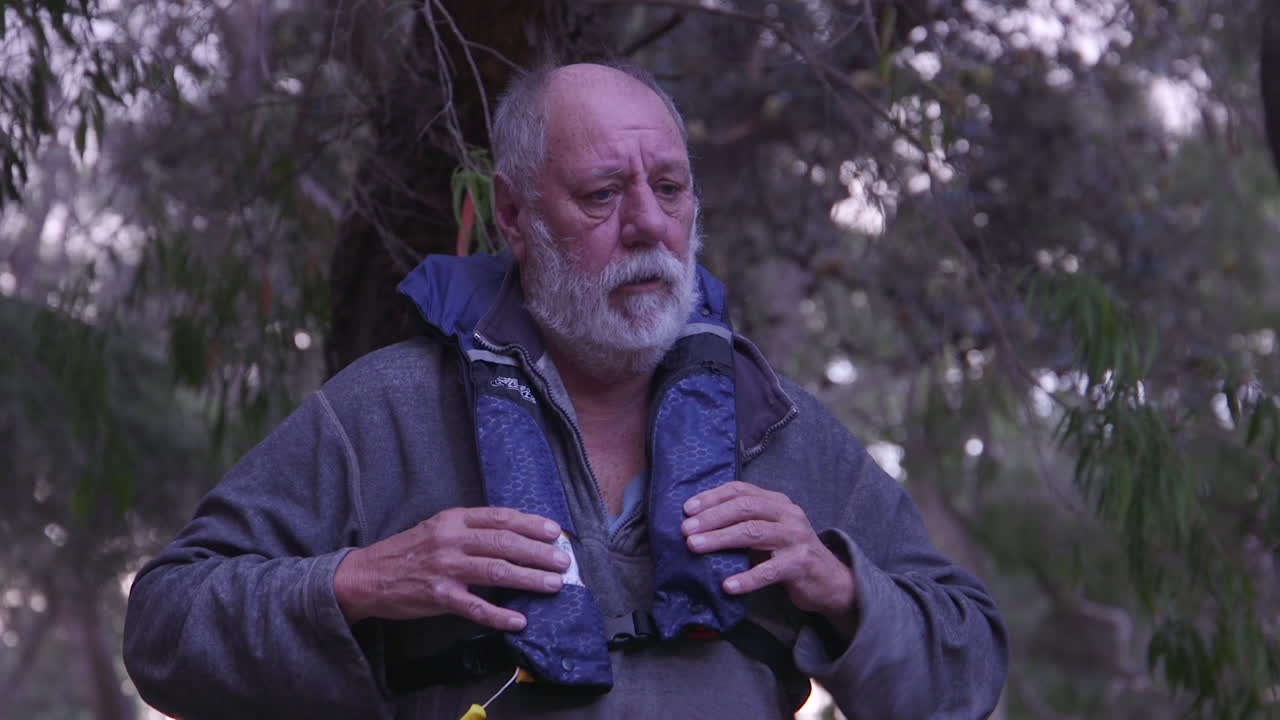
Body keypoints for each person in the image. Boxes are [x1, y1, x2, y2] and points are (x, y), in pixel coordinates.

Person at [123, 62, 1007, 720]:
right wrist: (357, 581)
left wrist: (840, 586)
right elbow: (164, 629)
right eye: (601, 194)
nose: (648, 225)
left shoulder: (780, 429)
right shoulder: (385, 412)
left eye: (669, 188)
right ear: (513, 215)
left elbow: (969, 669)